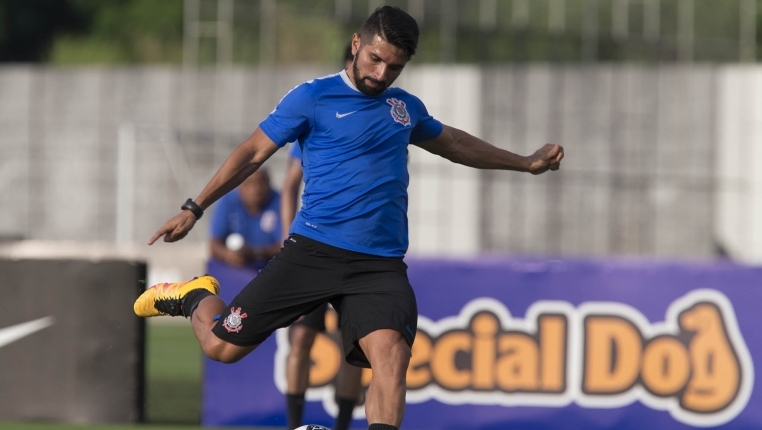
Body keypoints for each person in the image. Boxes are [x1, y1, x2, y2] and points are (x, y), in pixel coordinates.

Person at [134, 6, 564, 430]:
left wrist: (524, 162)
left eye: (393, 68)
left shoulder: (404, 108)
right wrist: (195, 207)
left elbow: (455, 143)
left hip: (378, 265)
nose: (380, 75)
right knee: (220, 348)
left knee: (391, 356)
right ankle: (193, 297)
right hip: (312, 252)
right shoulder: (313, 97)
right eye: (375, 59)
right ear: (357, 45)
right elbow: (252, 152)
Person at [281, 43, 364, 430]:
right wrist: (288, 238)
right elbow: (288, 186)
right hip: (314, 250)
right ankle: (294, 424)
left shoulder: (379, 120)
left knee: (357, 351)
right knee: (300, 341)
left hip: (360, 255)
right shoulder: (320, 116)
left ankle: (344, 426)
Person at [208, 168, 282, 270]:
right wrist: (227, 255)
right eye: (249, 183)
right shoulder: (228, 201)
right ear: (240, 185)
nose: (255, 189)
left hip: (268, 268)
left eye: (261, 182)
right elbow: (214, 244)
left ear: (268, 183)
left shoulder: (280, 202)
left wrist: (254, 252)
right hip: (233, 267)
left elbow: (286, 246)